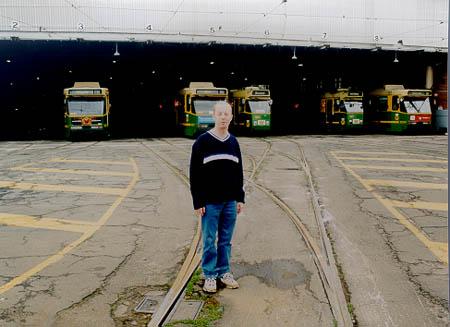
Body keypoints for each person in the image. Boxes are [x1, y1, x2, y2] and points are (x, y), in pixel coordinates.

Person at [189, 101, 245, 293]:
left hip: (230, 201)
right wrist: (198, 201)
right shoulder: (202, 142)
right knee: (209, 239)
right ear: (213, 115)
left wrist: (240, 198)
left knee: (226, 240)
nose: (223, 117)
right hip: (210, 202)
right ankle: (210, 275)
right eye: (220, 113)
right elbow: (194, 174)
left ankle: (224, 272)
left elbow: (239, 172)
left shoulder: (233, 142)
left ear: (231, 117)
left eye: (226, 114)